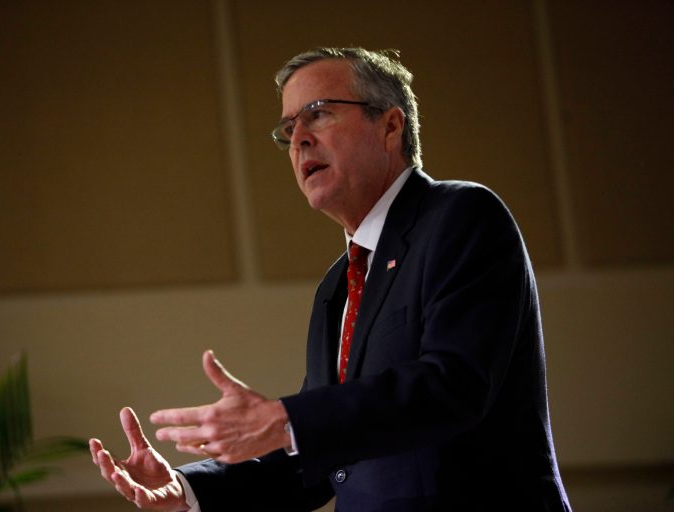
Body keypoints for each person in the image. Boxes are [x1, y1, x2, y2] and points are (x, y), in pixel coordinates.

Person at [90, 47, 572, 511]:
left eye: (318, 113)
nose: (298, 138)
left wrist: (286, 419)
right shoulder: (336, 286)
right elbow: (318, 460)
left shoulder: (462, 216)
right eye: (288, 127)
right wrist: (187, 488)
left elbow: (453, 386)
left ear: (389, 126)